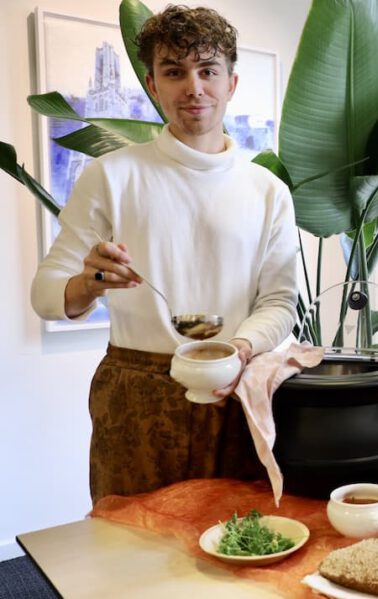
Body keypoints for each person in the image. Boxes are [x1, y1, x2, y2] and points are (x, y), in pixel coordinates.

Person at [30, 5, 298, 504]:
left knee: (237, 545)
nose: (193, 87)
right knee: (129, 549)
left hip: (235, 390)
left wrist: (238, 349)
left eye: (208, 70)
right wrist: (88, 283)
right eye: (174, 72)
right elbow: (46, 296)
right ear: (153, 86)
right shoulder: (111, 176)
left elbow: (280, 304)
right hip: (135, 393)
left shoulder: (268, 191)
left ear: (231, 83)